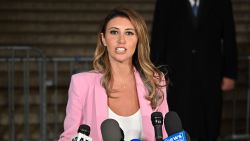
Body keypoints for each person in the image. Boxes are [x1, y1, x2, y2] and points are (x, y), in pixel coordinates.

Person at [58, 7, 169, 141]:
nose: (121, 40)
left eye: (129, 33)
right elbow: (69, 137)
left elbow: (165, 134)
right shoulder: (81, 84)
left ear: (138, 40)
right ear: (103, 39)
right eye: (114, 32)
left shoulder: (155, 81)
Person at [150, 0, 237, 141]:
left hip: (211, 74)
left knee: (210, 119)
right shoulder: (165, 2)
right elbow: (158, 36)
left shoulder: (222, 2)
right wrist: (158, 72)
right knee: (180, 117)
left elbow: (229, 36)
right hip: (177, 74)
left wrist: (230, 73)